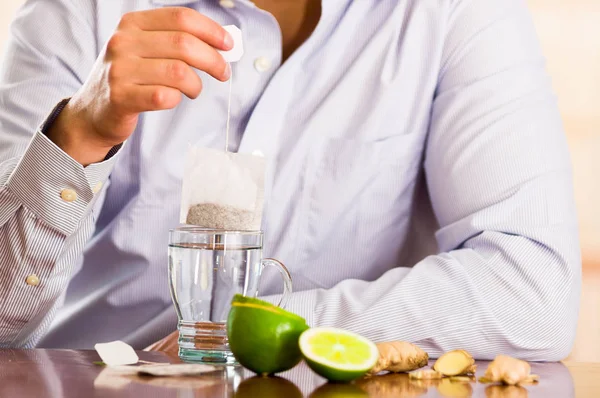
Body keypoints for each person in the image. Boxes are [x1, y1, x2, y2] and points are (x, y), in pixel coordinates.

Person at [0, 0, 581, 361]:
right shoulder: (76, 10)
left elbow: (534, 294)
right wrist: (78, 133)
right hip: (101, 381)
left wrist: (271, 331)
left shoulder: (453, 12)